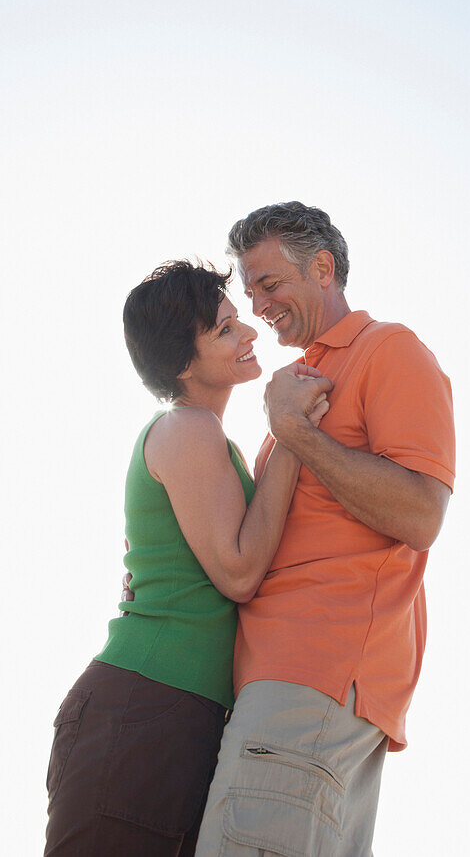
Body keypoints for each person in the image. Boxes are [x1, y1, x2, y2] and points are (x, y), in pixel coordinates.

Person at [44, 260, 331, 857]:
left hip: (171, 713)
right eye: (226, 330)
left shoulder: (209, 438)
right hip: (145, 707)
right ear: (182, 364)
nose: (249, 333)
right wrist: (291, 435)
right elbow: (239, 573)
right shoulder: (186, 428)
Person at [195, 202, 456, 857]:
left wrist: (295, 434)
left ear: (322, 267)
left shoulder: (386, 351)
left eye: (269, 283)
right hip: (292, 692)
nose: (258, 305)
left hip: (309, 681)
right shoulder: (302, 382)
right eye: (249, 291)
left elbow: (421, 514)